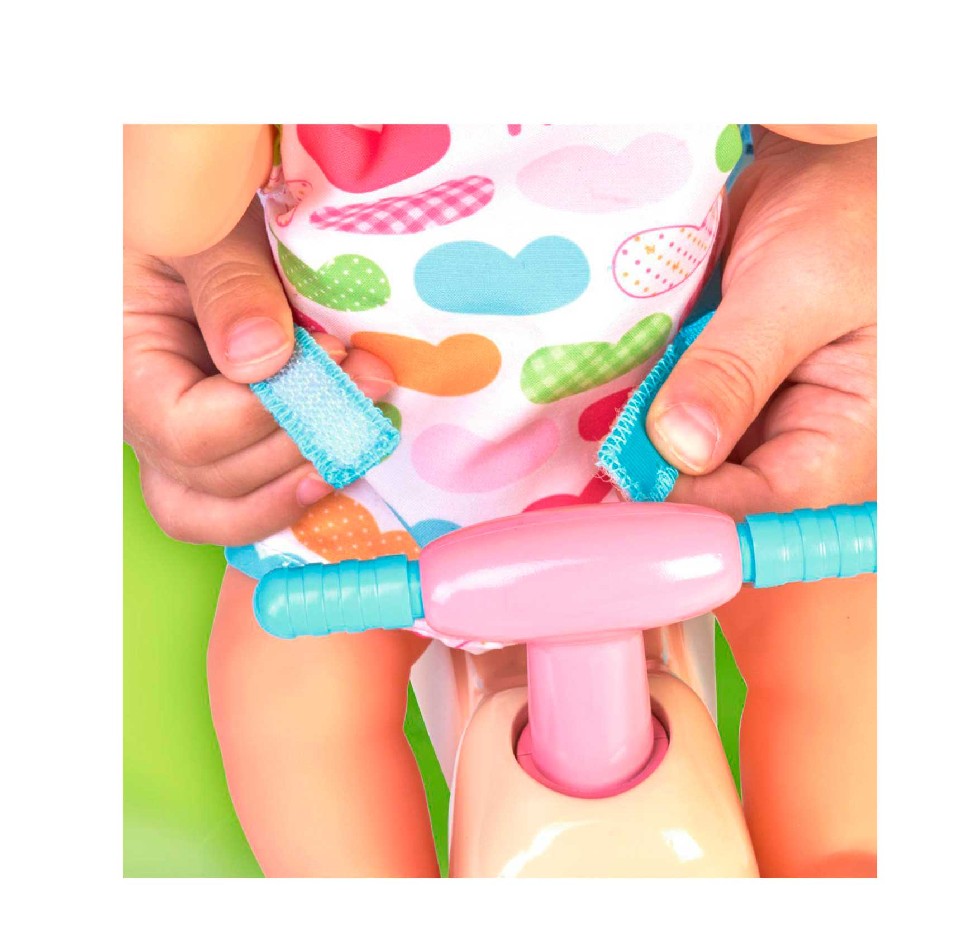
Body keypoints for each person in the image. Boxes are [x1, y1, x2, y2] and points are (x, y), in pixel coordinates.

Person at [124, 124, 876, 876]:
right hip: (369, 450)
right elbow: (175, 211)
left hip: (678, 409)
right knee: (291, 706)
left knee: (837, 635)